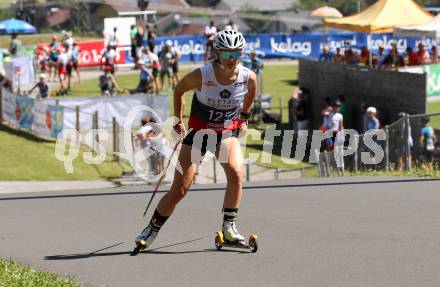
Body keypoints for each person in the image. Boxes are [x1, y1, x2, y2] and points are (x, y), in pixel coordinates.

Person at [133, 30, 257, 252]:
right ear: (217, 53)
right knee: (180, 189)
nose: (232, 58)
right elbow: (179, 89)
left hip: (225, 132)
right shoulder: (203, 75)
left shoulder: (247, 76)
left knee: (237, 174)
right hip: (198, 133)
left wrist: (244, 117)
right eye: (227, 53)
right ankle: (151, 229)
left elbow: (251, 93)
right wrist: (178, 121)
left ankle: (229, 228)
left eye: (236, 53)